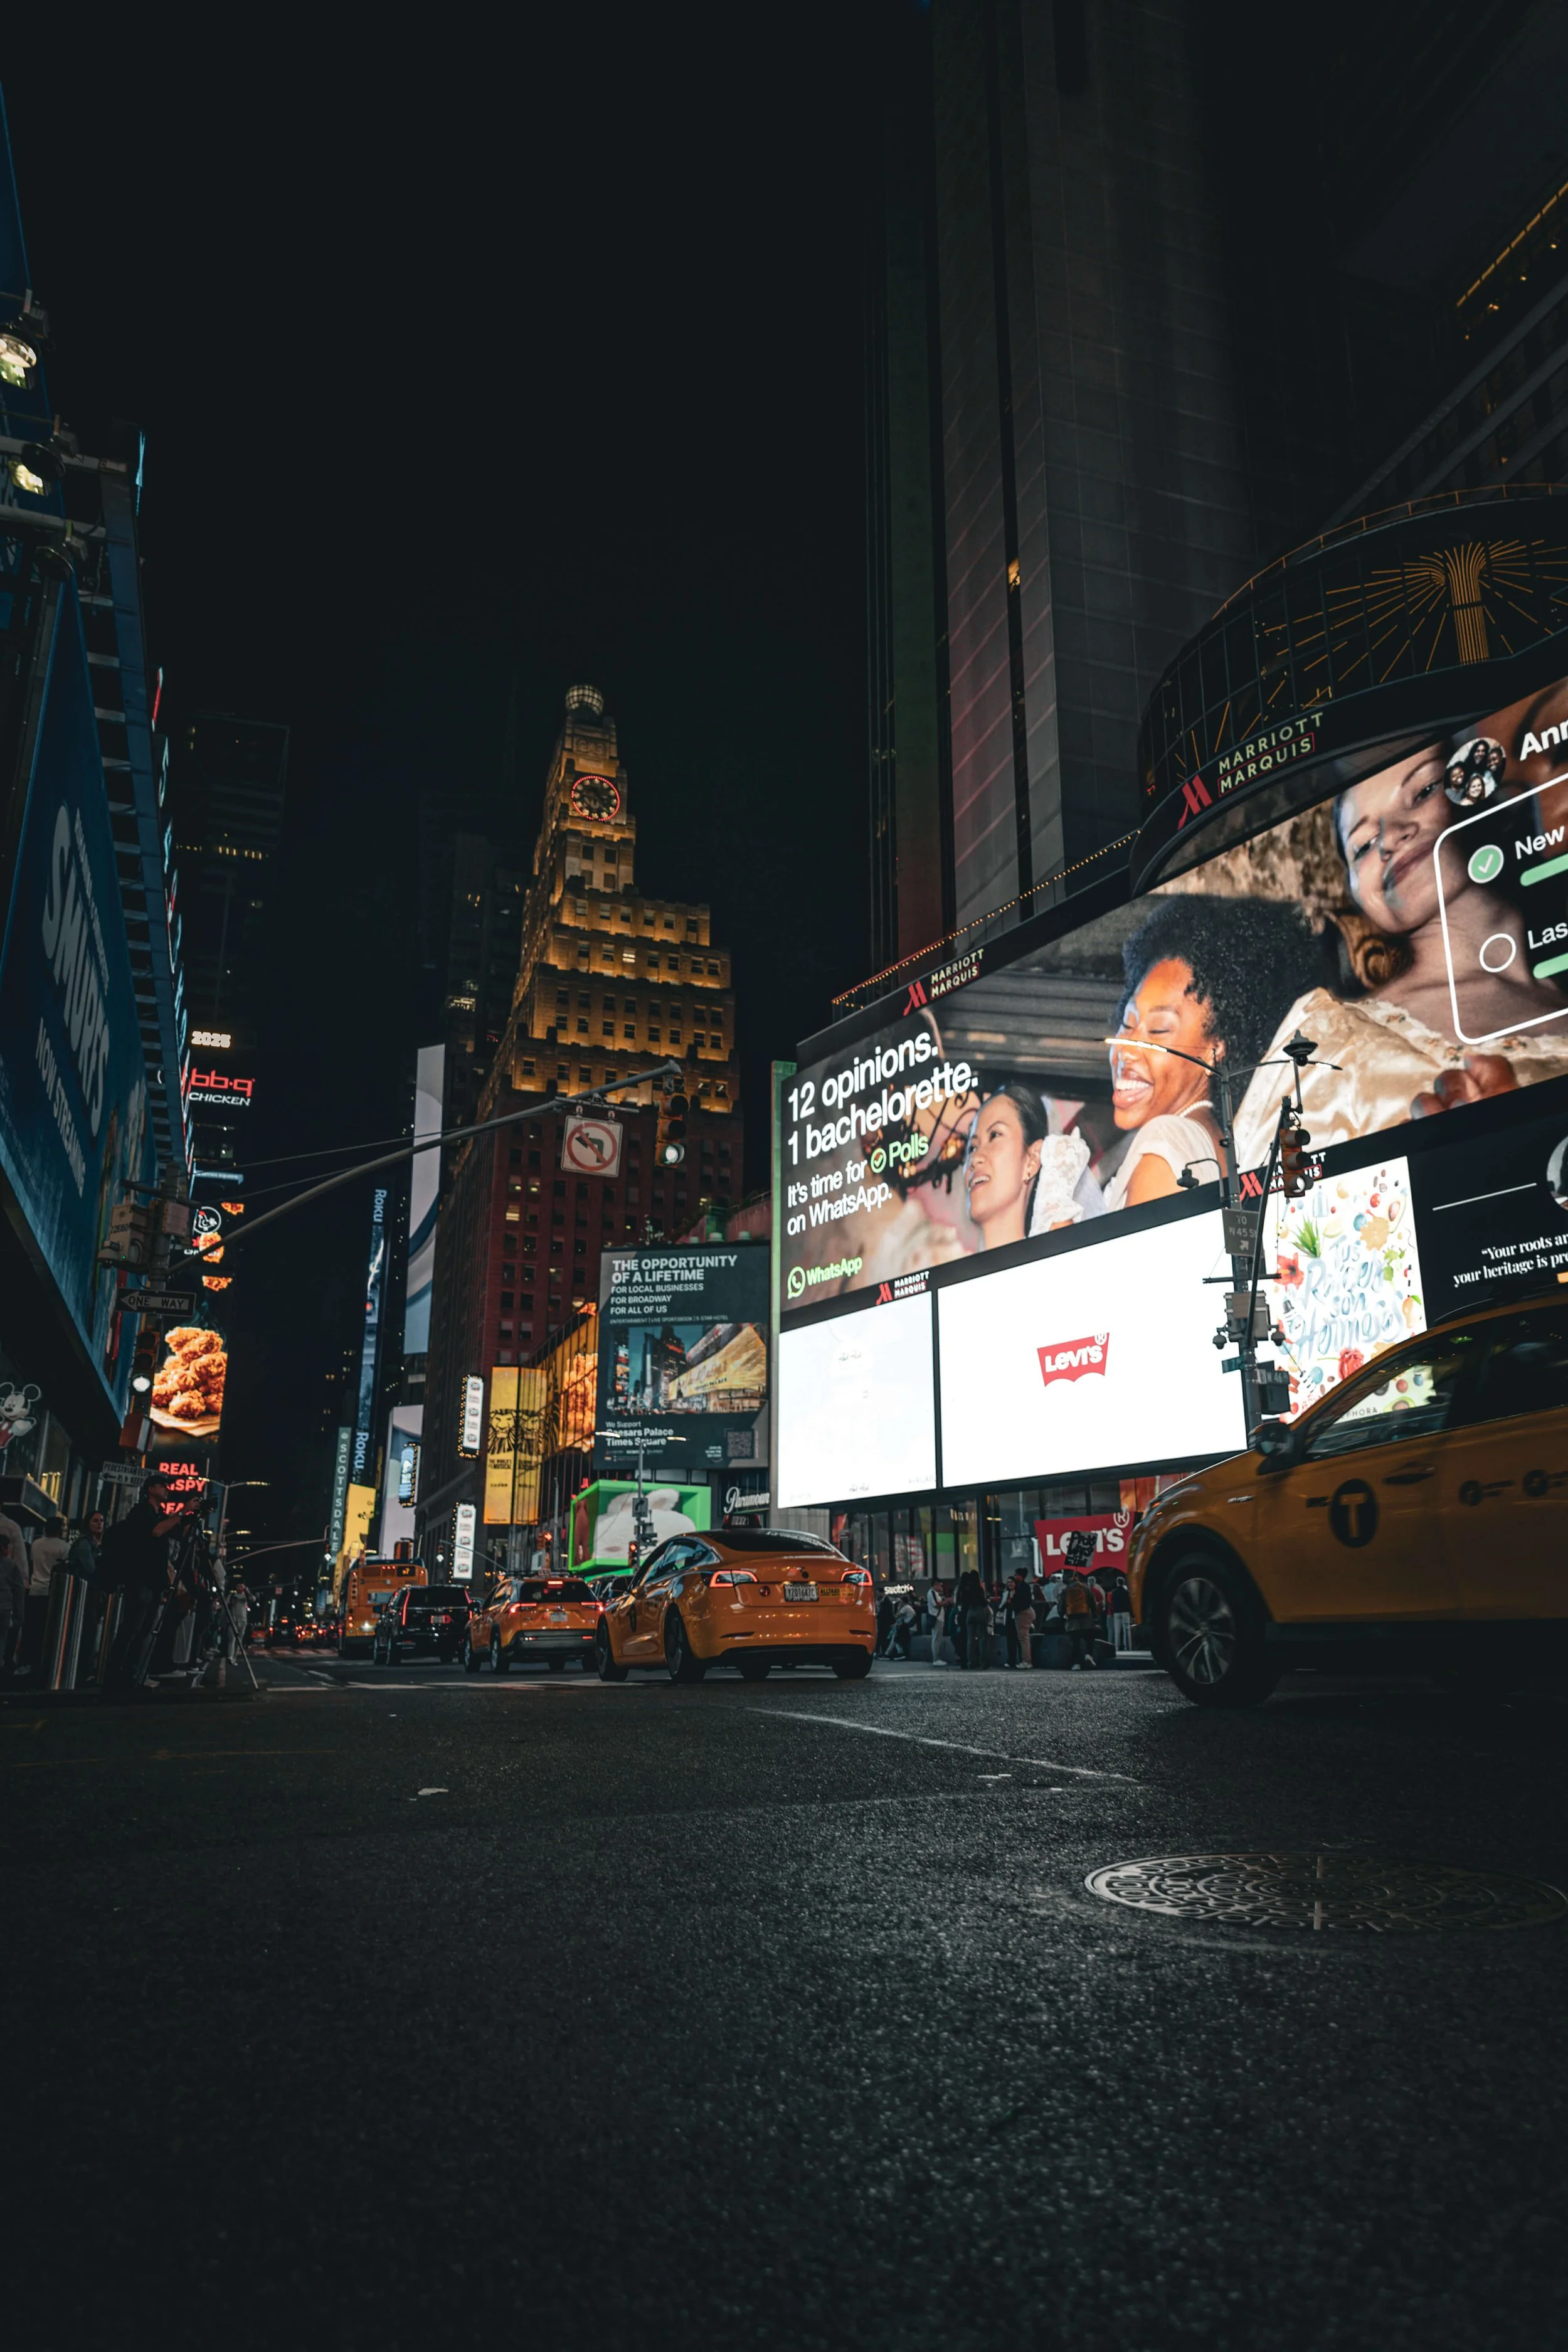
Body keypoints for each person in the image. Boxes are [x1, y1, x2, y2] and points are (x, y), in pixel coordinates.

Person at [1233, 736, 1568, 1166]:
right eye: (1363, 845)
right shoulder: (1327, 1036)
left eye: (1425, 790)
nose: (1389, 839)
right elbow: (1264, 1217)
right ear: (1356, 892)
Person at [1103, 896, 1323, 1210]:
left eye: (1158, 1031)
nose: (1127, 1048)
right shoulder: (1213, 1143)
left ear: (1213, 1051)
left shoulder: (1164, 1145)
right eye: (1128, 1024)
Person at [103, 1476, 177, 1692]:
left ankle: (131, 1676)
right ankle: (115, 1678)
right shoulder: (141, 1512)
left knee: (144, 1631)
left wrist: (189, 1516)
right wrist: (182, 1512)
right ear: (151, 1488)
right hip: (140, 1578)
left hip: (154, 1581)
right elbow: (156, 1531)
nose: (167, 1490)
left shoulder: (159, 1515)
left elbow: (174, 1534)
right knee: (132, 1629)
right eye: (163, 1486)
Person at [18, 1515, 68, 1678]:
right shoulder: (64, 1547)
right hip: (52, 1593)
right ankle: (42, 1663)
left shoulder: (36, 1544)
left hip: (35, 1590)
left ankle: (25, 1662)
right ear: (60, 1529)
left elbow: (32, 1564)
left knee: (30, 1629)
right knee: (47, 1630)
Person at [955, 1564, 990, 1670]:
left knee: (970, 1639)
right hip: (979, 1611)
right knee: (982, 1638)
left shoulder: (966, 1589)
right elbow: (983, 1602)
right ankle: (983, 1662)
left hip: (970, 1613)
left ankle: (971, 1662)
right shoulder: (979, 1589)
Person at [1061, 1572, 1096, 1670]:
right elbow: (1093, 1604)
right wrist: (1096, 1618)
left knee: (1075, 1643)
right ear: (1077, 1577)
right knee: (1089, 1639)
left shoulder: (1066, 1590)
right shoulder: (1086, 1588)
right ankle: (1089, 1655)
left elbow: (1061, 1607)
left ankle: (1076, 1664)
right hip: (1087, 1620)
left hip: (1073, 1622)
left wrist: (1064, 1615)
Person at [1005, 1569, 1036, 1668]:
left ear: (1020, 1576)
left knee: (1023, 1638)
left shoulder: (1022, 1587)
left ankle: (1026, 1661)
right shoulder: (1024, 1586)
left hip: (1022, 1613)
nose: (1015, 1577)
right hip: (1024, 1612)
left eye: (1016, 1575)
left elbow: (1021, 1601)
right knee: (1023, 1637)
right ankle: (1026, 1660)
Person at [1107, 1569, 1134, 1653]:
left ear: (1117, 1583)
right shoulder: (1127, 1592)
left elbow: (1112, 1603)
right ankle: (1127, 1647)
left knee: (1117, 1630)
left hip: (1116, 1612)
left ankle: (1117, 1647)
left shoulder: (1113, 1593)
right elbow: (1130, 1603)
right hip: (1125, 1612)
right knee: (1127, 1630)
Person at [926, 1581, 948, 1666]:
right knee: (936, 1639)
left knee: (937, 1638)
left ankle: (937, 1657)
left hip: (939, 1618)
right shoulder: (932, 1593)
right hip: (937, 1618)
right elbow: (937, 1604)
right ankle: (936, 1658)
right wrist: (947, 1602)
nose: (941, 1587)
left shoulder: (935, 1593)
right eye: (940, 1585)